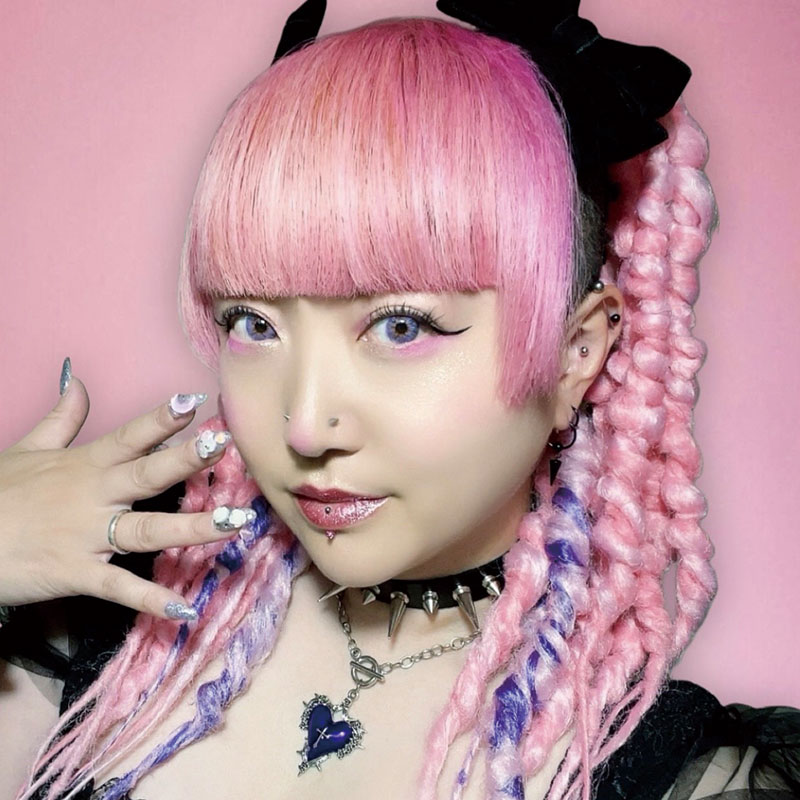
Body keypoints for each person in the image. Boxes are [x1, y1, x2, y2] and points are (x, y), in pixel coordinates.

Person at [1, 2, 798, 799]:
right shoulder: (96, 603)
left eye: (400, 327)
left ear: (574, 354)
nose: (305, 425)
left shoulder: (695, 778)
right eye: (253, 323)